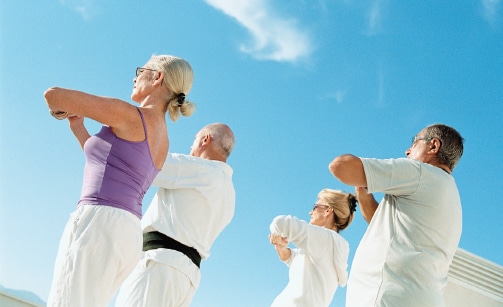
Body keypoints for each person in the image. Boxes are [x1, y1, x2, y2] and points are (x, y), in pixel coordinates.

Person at [44, 55, 195, 307]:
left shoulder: (130, 115)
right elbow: (109, 165)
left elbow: (53, 95)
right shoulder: (162, 138)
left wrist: (60, 109)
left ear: (157, 77)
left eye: (141, 70)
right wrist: (78, 128)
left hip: (99, 222)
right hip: (127, 232)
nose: (135, 77)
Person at [329, 123, 464, 307]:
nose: (407, 151)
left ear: (433, 146)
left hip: (387, 298)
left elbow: (340, 166)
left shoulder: (419, 172)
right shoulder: (450, 195)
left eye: (415, 141)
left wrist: (370, 170)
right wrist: (364, 189)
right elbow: (383, 224)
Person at [115, 122, 236, 307]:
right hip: (186, 278)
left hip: (159, 265)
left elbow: (146, 164)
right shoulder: (229, 195)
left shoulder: (201, 169)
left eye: (194, 139)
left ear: (205, 140)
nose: (191, 145)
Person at [269, 188, 357, 307]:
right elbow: (292, 258)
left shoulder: (326, 240)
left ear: (328, 211)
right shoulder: (328, 246)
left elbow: (279, 223)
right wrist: (281, 247)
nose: (311, 212)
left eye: (315, 207)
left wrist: (278, 234)